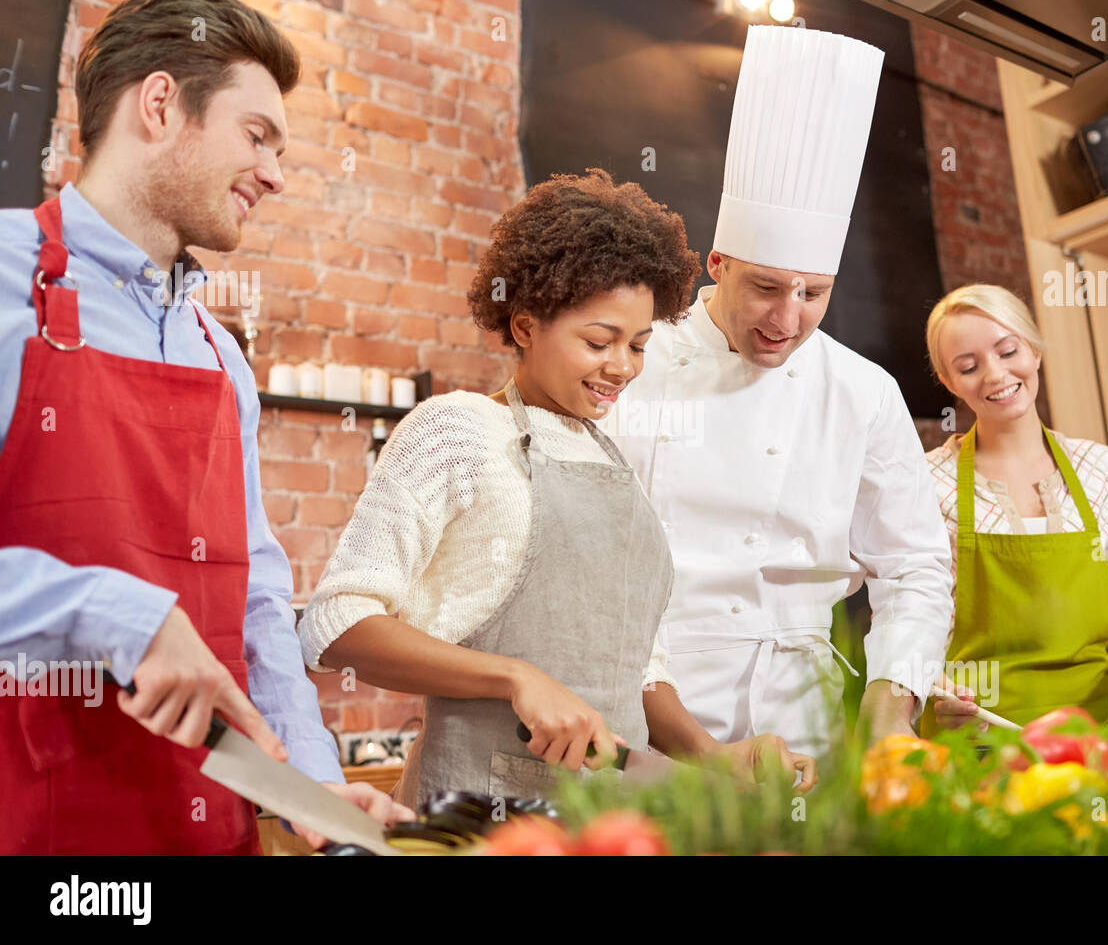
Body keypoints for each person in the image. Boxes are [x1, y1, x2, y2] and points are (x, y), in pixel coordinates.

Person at [0, 0, 411, 854]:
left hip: (202, 828)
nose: (275, 172)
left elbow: (257, 603)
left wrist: (312, 784)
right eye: (257, 135)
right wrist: (110, 612)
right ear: (160, 106)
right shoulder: (5, 282)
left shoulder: (221, 358)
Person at [301, 169, 817, 805]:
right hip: (478, 822)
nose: (622, 367)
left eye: (637, 344)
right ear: (524, 327)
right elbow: (334, 624)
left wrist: (713, 758)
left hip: (613, 826)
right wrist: (514, 678)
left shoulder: (613, 462)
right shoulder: (458, 431)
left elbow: (637, 672)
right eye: (599, 341)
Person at [606, 25, 955, 759]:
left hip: (810, 724)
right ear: (718, 262)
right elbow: (590, 557)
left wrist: (892, 712)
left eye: (813, 294)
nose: (786, 319)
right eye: (765, 287)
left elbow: (914, 566)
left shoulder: (862, 391)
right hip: (652, 717)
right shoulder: (634, 362)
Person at [921, 284, 1108, 733]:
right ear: (950, 382)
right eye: (969, 366)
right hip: (977, 738)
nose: (995, 375)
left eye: (1008, 350)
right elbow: (912, 623)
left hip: (1097, 733)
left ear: (1034, 350)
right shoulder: (927, 481)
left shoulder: (1097, 466)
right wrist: (932, 686)